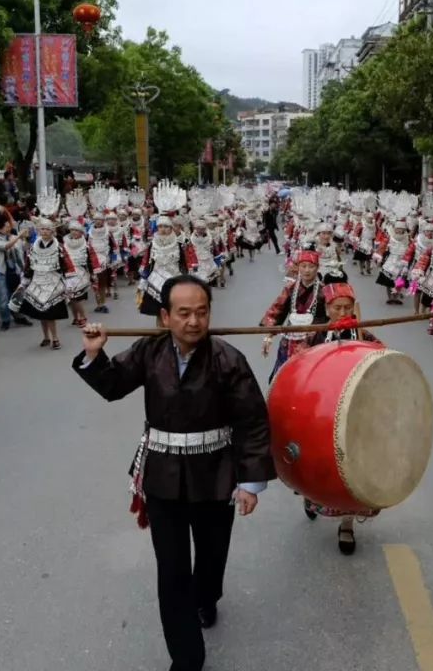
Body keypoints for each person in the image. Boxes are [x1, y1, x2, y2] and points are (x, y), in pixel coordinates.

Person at [74, 275, 275, 671]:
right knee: (172, 570)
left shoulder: (228, 359)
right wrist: (96, 356)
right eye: (183, 313)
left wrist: (250, 482)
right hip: (163, 477)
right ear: (165, 316)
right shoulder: (149, 353)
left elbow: (253, 421)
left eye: (201, 312)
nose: (194, 321)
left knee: (212, 555)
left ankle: (207, 597)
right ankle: (187, 657)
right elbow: (113, 386)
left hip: (216, 475)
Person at [301, 282, 380, 555]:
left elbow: (382, 361)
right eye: (338, 307)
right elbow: (299, 369)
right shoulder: (315, 336)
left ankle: (347, 524)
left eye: (348, 307)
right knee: (321, 463)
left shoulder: (363, 334)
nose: (343, 311)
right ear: (328, 308)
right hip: (321, 412)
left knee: (352, 469)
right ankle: (313, 496)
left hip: (355, 413)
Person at [261, 250, 327, 380]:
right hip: (290, 338)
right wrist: (268, 336)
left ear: (318, 268)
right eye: (303, 266)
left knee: (313, 377)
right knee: (284, 376)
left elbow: (332, 315)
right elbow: (277, 310)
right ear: (298, 267)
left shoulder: (324, 290)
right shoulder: (290, 288)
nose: (307, 270)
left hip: (315, 340)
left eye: (311, 266)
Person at [15, 218, 79, 350]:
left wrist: (70, 282)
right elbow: (29, 265)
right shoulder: (33, 247)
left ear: (52, 231)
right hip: (38, 281)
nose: (44, 232)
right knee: (40, 313)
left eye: (47, 229)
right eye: (42, 229)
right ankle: (46, 337)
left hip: (53, 282)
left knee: (50, 313)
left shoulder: (59, 247)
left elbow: (66, 265)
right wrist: (25, 281)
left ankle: (55, 338)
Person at [138, 217, 191, 319]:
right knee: (159, 312)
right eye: (160, 226)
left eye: (166, 226)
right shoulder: (152, 244)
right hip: (156, 282)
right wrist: (144, 279)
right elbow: (147, 262)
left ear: (171, 228)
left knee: (174, 311)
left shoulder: (179, 245)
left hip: (174, 280)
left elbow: (185, 264)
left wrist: (188, 280)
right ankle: (161, 333)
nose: (163, 229)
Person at [0, 212, 31, 330]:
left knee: (17, 294)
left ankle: (19, 316)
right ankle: (5, 320)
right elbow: (5, 246)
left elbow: (24, 249)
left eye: (8, 225)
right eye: (5, 226)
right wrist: (18, 236)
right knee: (3, 297)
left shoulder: (11, 236)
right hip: (0, 270)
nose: (8, 228)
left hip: (14, 269)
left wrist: (25, 238)